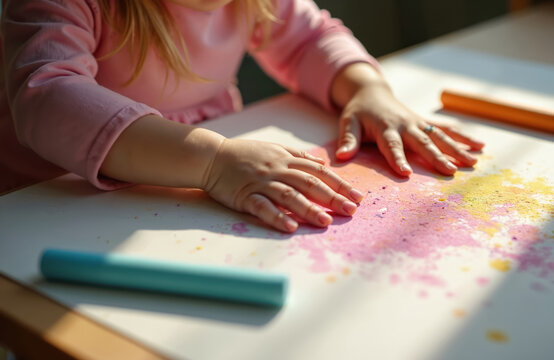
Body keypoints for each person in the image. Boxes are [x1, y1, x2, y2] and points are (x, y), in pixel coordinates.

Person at [0, 0, 484, 232]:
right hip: (47, 205)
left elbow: (310, 39)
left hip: (177, 200)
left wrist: (368, 90)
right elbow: (47, 95)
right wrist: (213, 162)